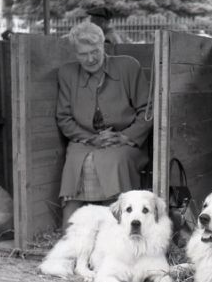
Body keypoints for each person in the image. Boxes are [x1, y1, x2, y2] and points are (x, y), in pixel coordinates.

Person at [56, 22, 152, 230]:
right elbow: (64, 118)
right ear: (75, 53)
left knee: (114, 160)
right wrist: (90, 138)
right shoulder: (67, 74)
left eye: (95, 51)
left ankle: (115, 227)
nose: (90, 59)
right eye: (83, 54)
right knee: (77, 161)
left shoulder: (128, 66)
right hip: (85, 140)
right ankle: (70, 233)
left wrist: (125, 136)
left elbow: (147, 110)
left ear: (103, 45)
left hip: (126, 141)